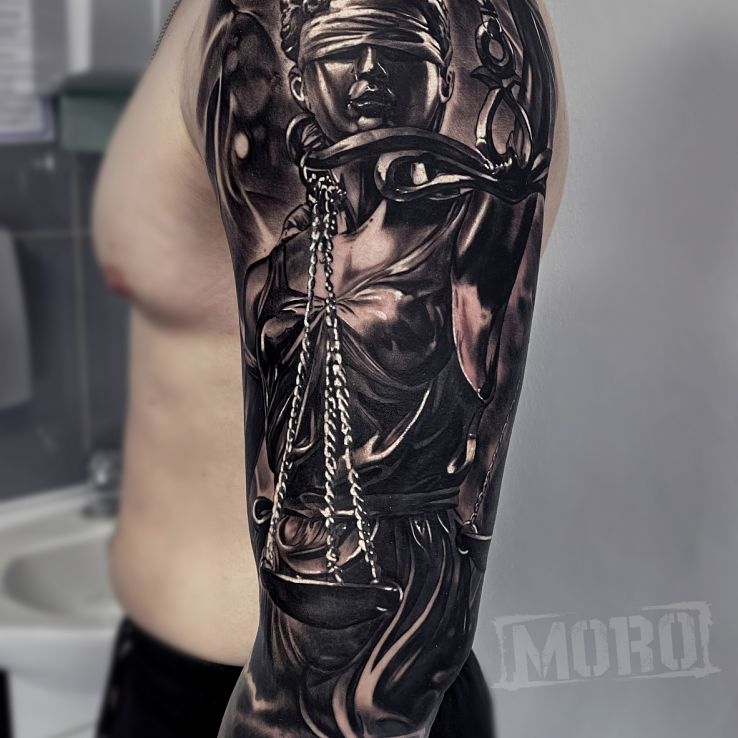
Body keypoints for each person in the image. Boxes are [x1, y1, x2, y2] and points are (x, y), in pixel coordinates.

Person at [92, 0, 567, 736]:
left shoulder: (443, 214)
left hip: (302, 692)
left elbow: (345, 709)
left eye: (394, 50)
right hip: (174, 676)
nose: (371, 71)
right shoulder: (301, 236)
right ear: (301, 80)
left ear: (441, 82)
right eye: (347, 49)